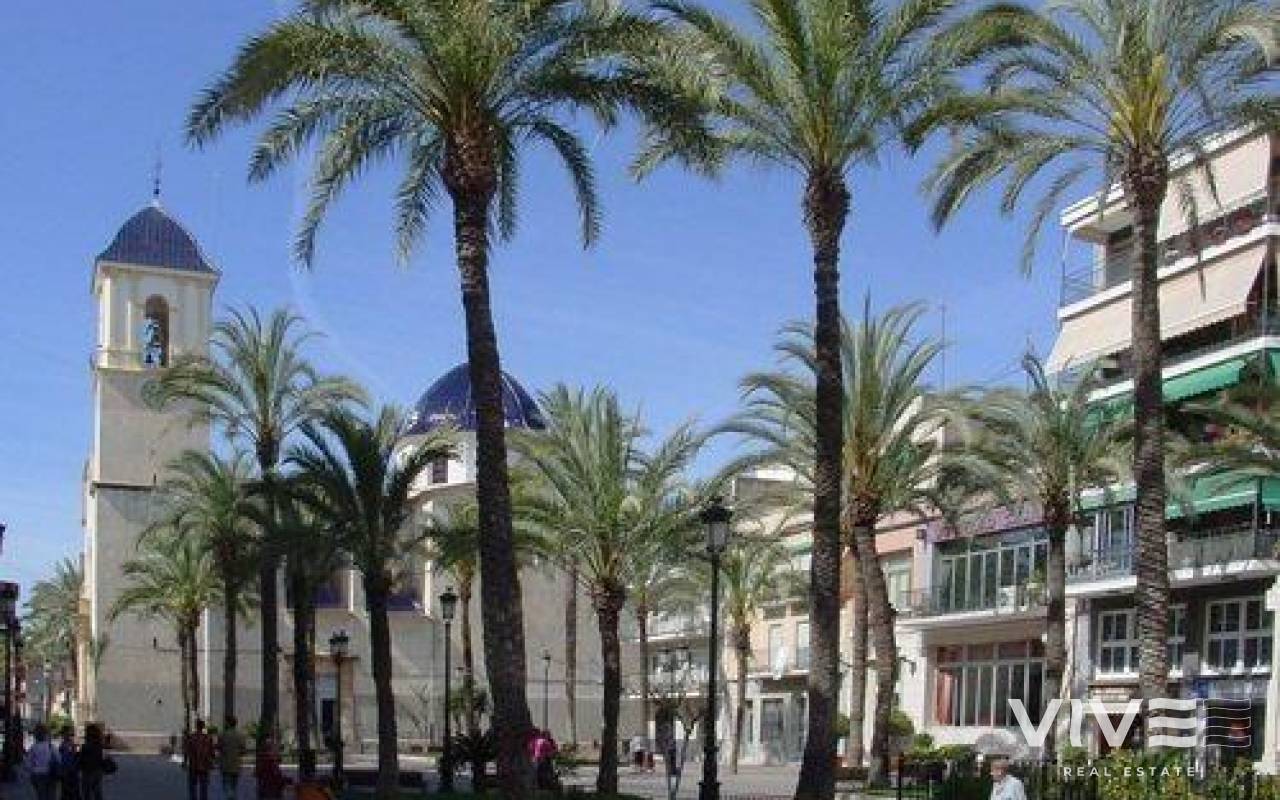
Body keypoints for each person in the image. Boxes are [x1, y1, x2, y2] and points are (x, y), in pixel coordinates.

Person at [23, 723, 60, 800]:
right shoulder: (51, 746)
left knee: (41, 796)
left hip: (37, 775)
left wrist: (33, 770)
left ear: (36, 735)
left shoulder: (33, 748)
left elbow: (27, 764)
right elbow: (59, 759)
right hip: (50, 774)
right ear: (46, 735)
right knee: (51, 796)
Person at [184, 720, 215, 800]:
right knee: (204, 786)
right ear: (203, 727)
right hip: (204, 764)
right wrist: (212, 762)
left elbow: (187, 750)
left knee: (192, 785)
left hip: (193, 764)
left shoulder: (191, 737)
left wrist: (185, 761)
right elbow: (211, 752)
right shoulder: (208, 738)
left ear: (196, 726)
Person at [216, 717, 246, 799]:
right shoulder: (241, 736)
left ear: (228, 723)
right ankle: (233, 796)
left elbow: (218, 747)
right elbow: (243, 750)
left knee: (226, 784)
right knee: (234, 784)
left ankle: (230, 797)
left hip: (225, 764)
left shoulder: (222, 735)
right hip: (236, 764)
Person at [79, 725, 107, 800]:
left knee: (87, 793)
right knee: (97, 792)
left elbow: (81, 760)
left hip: (88, 772)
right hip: (98, 771)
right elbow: (101, 758)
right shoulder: (99, 745)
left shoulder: (86, 746)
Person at [58, 726, 82, 800]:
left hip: (70, 770)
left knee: (70, 790)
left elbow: (76, 756)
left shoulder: (70, 744)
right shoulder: (65, 744)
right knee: (69, 790)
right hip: (68, 770)